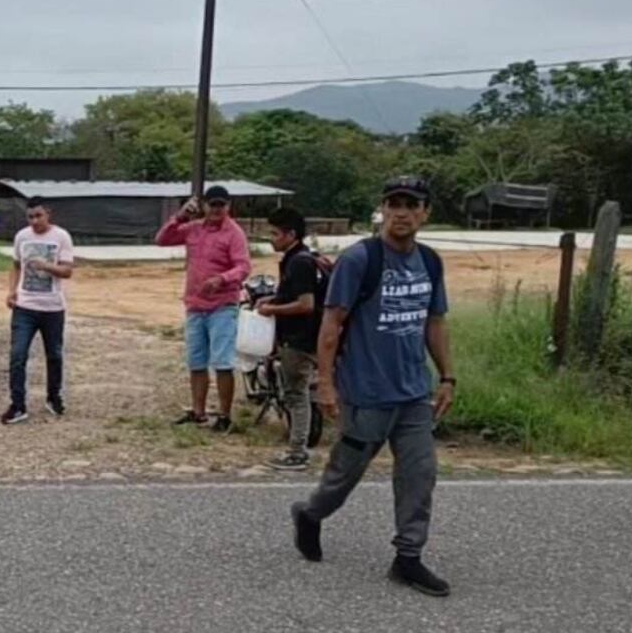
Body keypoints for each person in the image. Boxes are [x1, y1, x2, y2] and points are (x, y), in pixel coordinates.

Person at [290, 175, 456, 598]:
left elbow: (434, 323)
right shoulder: (360, 259)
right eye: (393, 203)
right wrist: (325, 384)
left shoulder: (430, 262)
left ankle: (408, 557)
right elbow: (332, 324)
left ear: (425, 212)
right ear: (382, 209)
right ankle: (310, 514)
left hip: (414, 394)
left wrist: (448, 377)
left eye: (411, 204)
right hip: (366, 393)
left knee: (420, 474)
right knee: (344, 476)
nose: (401, 212)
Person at [155, 185, 251, 433]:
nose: (217, 209)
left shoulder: (234, 233)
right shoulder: (194, 228)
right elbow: (162, 239)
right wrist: (181, 216)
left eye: (222, 205)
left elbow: (243, 267)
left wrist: (222, 279)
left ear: (228, 206)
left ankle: (224, 415)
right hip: (196, 304)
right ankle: (198, 412)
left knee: (222, 362)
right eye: (213, 204)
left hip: (222, 305)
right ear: (204, 205)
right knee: (196, 361)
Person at [256, 207, 324, 471]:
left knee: (296, 395)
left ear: (290, 234)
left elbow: (306, 304)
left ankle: (298, 452)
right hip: (303, 336)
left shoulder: (299, 262)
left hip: (299, 338)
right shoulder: (300, 258)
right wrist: (272, 299)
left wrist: (272, 309)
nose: (270, 238)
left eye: (274, 233)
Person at [0, 197, 76, 425]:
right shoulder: (22, 237)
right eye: (30, 216)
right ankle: (18, 404)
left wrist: (46, 266)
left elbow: (67, 271)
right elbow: (15, 266)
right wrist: (12, 291)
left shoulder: (61, 237)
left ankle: (54, 396)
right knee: (17, 355)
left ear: (48, 214)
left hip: (52, 307)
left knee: (54, 354)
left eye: (38, 216)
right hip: (25, 307)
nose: (34, 221)